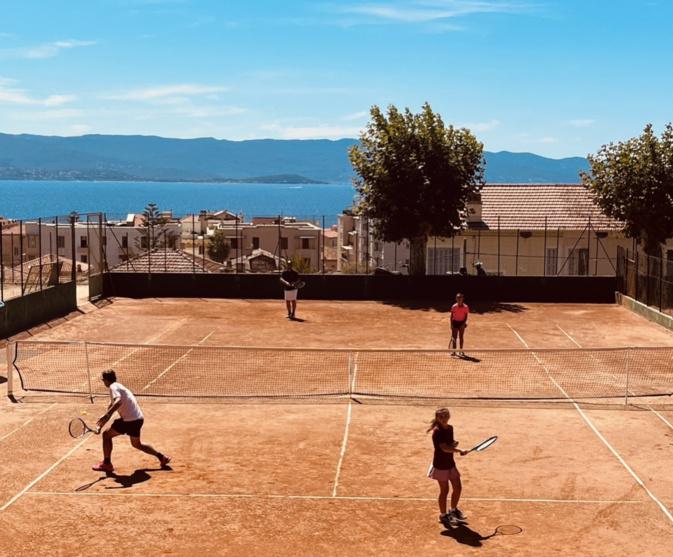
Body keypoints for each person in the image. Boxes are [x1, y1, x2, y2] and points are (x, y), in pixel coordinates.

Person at [92, 369, 171, 473]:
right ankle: (162, 457)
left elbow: (118, 401)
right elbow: (111, 407)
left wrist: (106, 415)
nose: (103, 382)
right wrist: (100, 425)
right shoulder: (119, 387)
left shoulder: (113, 387)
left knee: (106, 435)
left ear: (106, 380)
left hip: (129, 421)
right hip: (138, 419)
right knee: (137, 444)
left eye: (103, 380)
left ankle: (107, 464)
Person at [427, 407, 467, 527]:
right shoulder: (437, 431)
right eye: (441, 417)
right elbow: (444, 448)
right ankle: (443, 515)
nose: (444, 419)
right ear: (437, 418)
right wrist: (458, 450)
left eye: (446, 416)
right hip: (440, 465)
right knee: (444, 490)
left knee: (458, 487)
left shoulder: (450, 428)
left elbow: (449, 444)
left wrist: (454, 444)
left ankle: (453, 511)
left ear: (449, 416)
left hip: (450, 463)